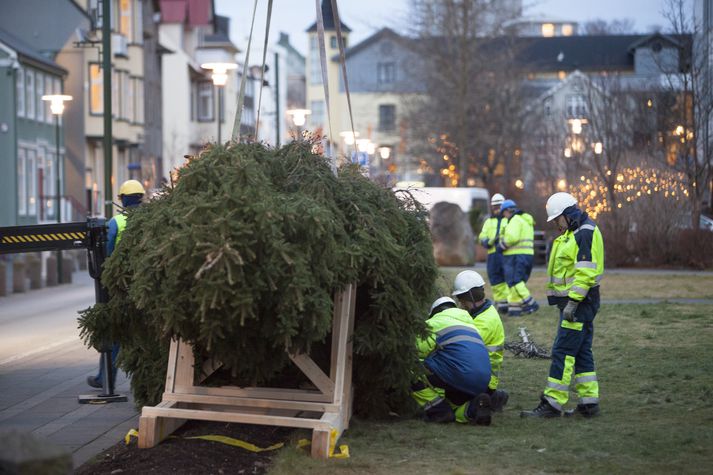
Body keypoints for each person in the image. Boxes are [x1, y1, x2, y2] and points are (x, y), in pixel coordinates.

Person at [521, 192, 604, 418]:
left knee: (563, 351)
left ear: (569, 215)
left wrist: (573, 303)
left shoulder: (583, 233)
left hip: (578, 304)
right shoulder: (577, 231)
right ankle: (589, 403)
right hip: (580, 303)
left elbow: (585, 273)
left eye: (558, 220)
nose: (557, 225)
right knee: (581, 352)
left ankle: (552, 404)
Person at [86, 179, 146, 389]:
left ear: (123, 199)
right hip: (145, 282)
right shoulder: (152, 219)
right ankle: (147, 382)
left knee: (116, 332)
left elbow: (106, 252)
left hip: (121, 284)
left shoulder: (116, 222)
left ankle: (105, 378)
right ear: (141, 197)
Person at [411, 297, 493, 425]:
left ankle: (438, 411)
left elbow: (417, 349)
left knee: (411, 370)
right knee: (454, 406)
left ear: (434, 312)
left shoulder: (435, 322)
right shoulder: (471, 325)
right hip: (483, 380)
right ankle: (474, 409)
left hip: (458, 374)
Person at [451, 270, 508, 411]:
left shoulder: (485, 322)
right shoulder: (481, 313)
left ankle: (488, 398)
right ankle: (494, 397)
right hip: (482, 375)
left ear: (469, 296)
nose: (460, 303)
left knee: (449, 401)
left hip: (482, 381)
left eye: (461, 298)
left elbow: (461, 348)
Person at [499, 199, 539, 316]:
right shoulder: (525, 220)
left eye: (504, 213)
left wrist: (501, 246)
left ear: (508, 210)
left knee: (514, 282)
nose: (504, 216)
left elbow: (512, 237)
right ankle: (515, 310)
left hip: (515, 255)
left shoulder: (515, 220)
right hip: (526, 255)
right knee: (518, 282)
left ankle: (530, 303)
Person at [479, 193, 509, 314]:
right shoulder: (488, 222)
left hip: (505, 254)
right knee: (495, 279)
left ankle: (509, 302)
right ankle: (501, 304)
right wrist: (486, 241)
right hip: (492, 255)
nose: (497, 208)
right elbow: (482, 235)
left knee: (507, 278)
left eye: (499, 206)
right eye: (495, 206)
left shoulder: (508, 220)